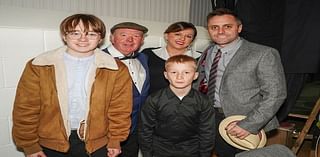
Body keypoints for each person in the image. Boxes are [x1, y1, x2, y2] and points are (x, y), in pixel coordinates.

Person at [12, 14, 132, 157]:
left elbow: (120, 109)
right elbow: (26, 108)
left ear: (100, 38)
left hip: (98, 144)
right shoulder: (39, 65)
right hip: (50, 144)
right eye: (75, 33)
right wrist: (30, 145)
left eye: (91, 34)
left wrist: (115, 139)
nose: (83, 39)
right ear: (64, 35)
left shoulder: (116, 68)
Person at [194, 8, 287, 157]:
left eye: (227, 26)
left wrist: (249, 124)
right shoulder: (208, 51)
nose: (220, 31)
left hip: (245, 121)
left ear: (239, 28)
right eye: (214, 27)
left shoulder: (263, 53)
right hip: (212, 118)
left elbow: (276, 94)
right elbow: (200, 82)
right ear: (208, 30)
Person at [139, 55, 215, 157]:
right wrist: (147, 154)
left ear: (195, 75)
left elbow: (207, 132)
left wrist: (204, 154)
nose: (180, 77)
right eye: (174, 72)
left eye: (186, 72)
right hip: (160, 150)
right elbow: (145, 130)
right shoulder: (154, 100)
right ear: (166, 75)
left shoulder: (203, 102)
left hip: (191, 150)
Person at [102, 22, 149, 157]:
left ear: (142, 40)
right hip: (107, 132)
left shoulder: (143, 58)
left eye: (136, 36)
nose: (130, 40)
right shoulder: (98, 59)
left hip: (134, 131)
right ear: (111, 38)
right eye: (123, 35)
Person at [141, 21, 201, 94]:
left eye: (188, 36)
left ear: (192, 40)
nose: (182, 38)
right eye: (177, 34)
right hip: (153, 102)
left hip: (188, 103)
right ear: (166, 36)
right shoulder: (148, 54)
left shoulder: (201, 58)